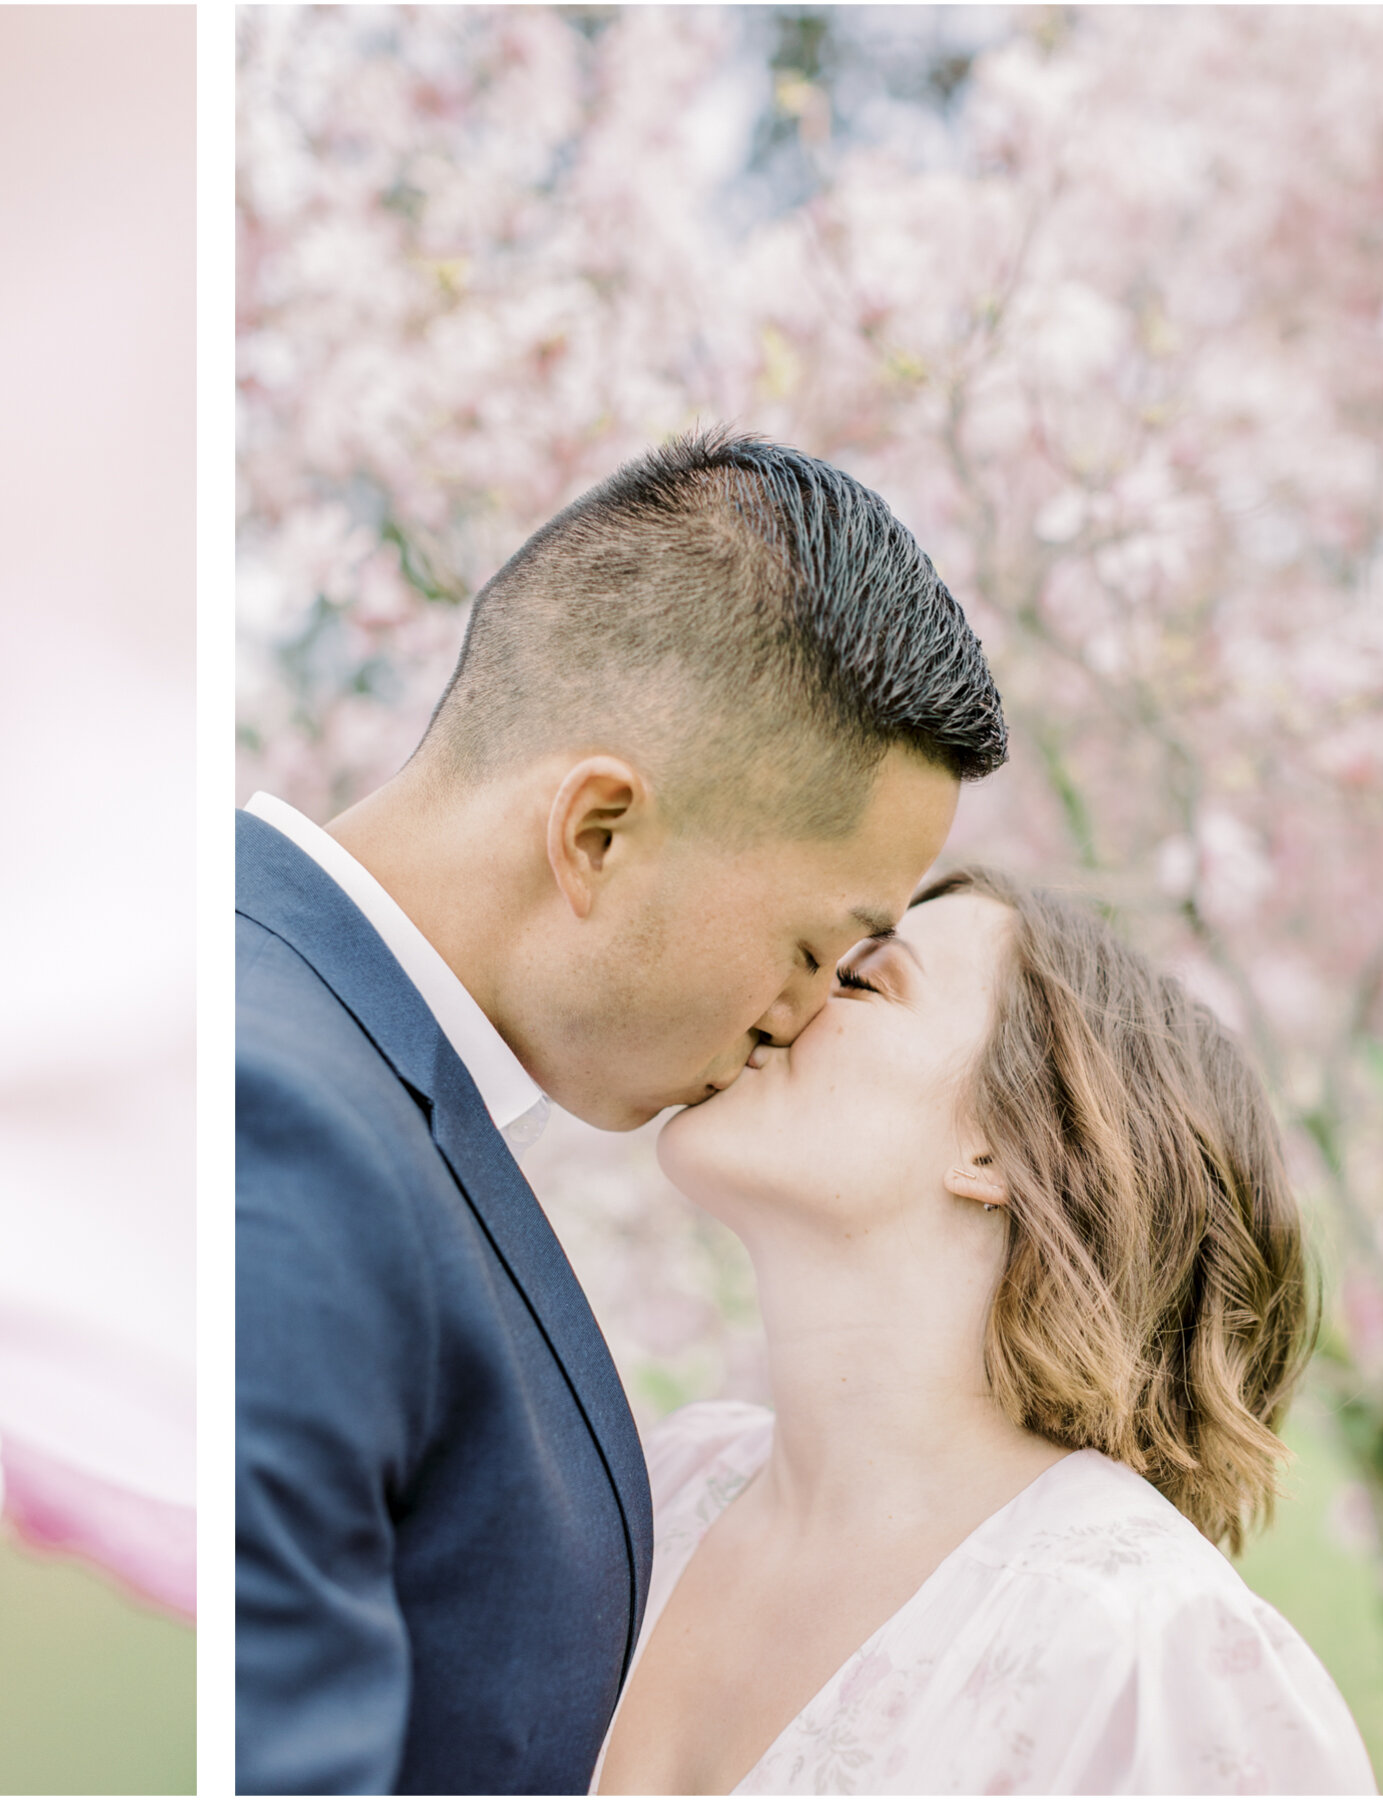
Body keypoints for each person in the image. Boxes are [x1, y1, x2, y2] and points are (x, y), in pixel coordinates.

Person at [236, 429, 1008, 1793]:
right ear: (598, 833)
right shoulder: (290, 1121)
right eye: (822, 947)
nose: (800, 1016)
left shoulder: (359, 1078)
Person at [596, 868, 1375, 1795]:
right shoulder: (655, 1492)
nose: (783, 992)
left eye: (862, 980)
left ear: (1002, 1145)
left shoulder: (1143, 1656)